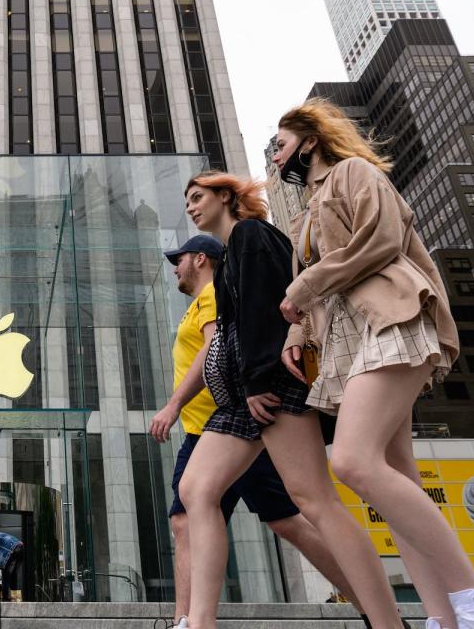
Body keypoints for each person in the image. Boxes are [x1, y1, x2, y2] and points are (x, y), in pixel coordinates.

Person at [176, 170, 413, 629]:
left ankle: (386, 622)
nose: (190, 206)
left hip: (270, 385)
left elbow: (270, 310)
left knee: (314, 500)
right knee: (196, 489)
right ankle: (200, 622)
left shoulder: (252, 235)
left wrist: (257, 381)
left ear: (226, 196)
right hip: (241, 397)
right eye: (187, 200)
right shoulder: (229, 258)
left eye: (197, 196)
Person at [274, 98, 474, 629]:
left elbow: (381, 241)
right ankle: (442, 620)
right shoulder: (304, 214)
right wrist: (297, 331)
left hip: (394, 315)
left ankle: (470, 597)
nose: (275, 157)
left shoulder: (354, 173)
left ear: (309, 140)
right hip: (352, 340)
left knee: (353, 460)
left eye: (281, 144)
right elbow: (316, 294)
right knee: (395, 481)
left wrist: (303, 286)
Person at [150, 235, 364, 629]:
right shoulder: (197, 305)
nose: (174, 268)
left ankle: (371, 602)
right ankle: (188, 620)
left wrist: (173, 404)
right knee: (216, 516)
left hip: (231, 424)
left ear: (201, 259)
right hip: (213, 427)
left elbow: (214, 349)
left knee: (287, 518)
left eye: (177, 259)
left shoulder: (214, 296)